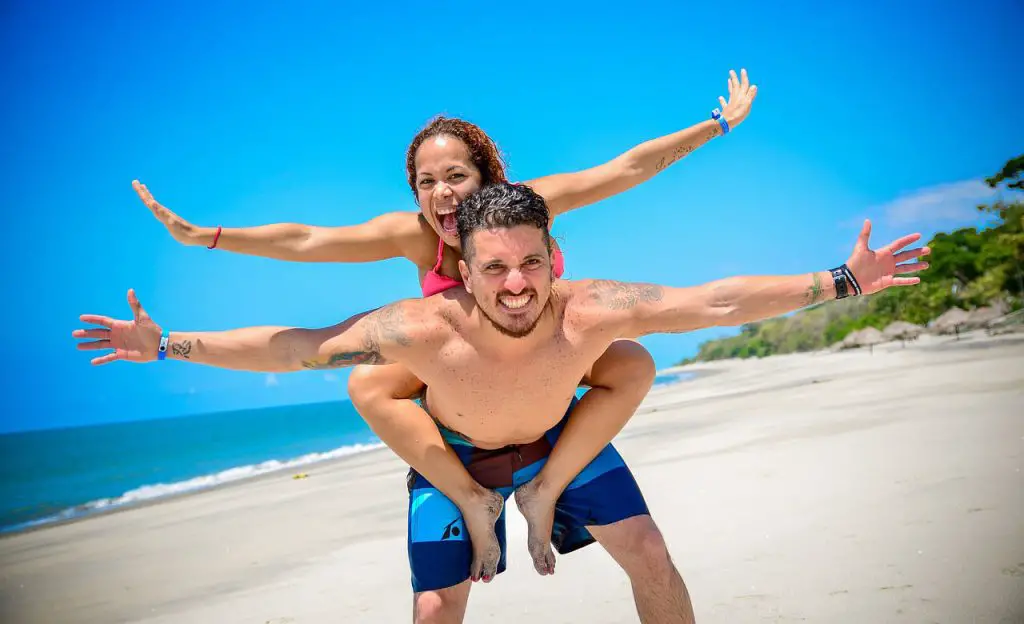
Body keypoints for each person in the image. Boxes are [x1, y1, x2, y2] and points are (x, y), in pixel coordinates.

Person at [75, 182, 930, 623]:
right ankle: (482, 504)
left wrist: (844, 278)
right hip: (459, 453)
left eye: (531, 263)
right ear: (464, 268)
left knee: (652, 555)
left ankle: (545, 491)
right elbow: (297, 348)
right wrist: (170, 344)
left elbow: (716, 302)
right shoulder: (418, 328)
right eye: (494, 268)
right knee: (434, 609)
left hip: (561, 437)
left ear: (555, 254)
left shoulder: (592, 306)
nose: (516, 285)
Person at [131, 69, 759, 579]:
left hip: (545, 359)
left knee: (630, 361)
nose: (442, 193)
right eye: (426, 182)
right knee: (368, 382)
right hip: (467, 379)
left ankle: (547, 491)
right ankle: (471, 499)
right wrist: (205, 237)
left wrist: (716, 125)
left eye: (456, 175)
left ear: (487, 176)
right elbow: (307, 239)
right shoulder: (414, 233)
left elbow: (622, 171)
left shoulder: (526, 205)